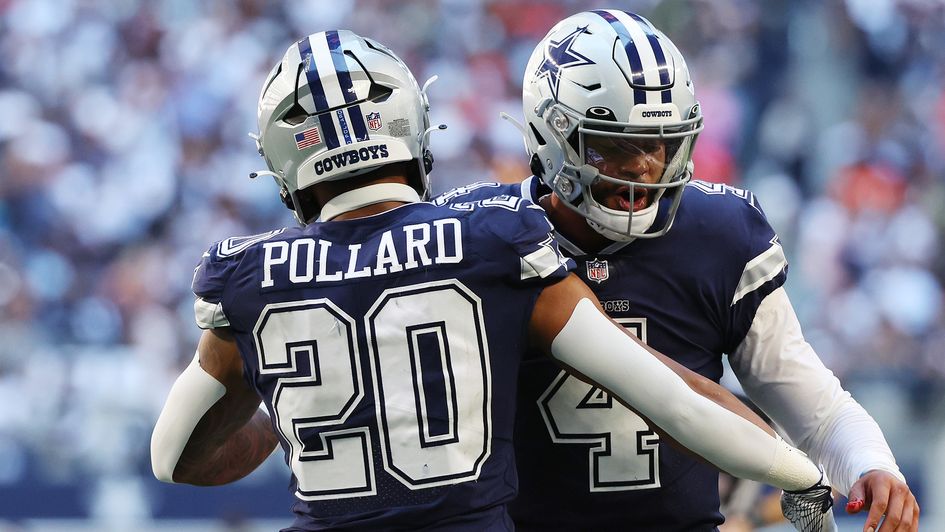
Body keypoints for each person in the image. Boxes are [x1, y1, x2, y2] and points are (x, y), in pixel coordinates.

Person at [150, 30, 835, 531]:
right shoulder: (491, 237)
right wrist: (801, 475)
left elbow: (174, 457)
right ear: (415, 130)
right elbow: (671, 402)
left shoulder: (248, 274)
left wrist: (290, 409)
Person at [448, 9, 919, 532]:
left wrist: (872, 463)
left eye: (659, 144)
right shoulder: (480, 236)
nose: (642, 167)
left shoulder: (719, 235)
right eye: (614, 146)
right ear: (550, 136)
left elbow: (815, 409)